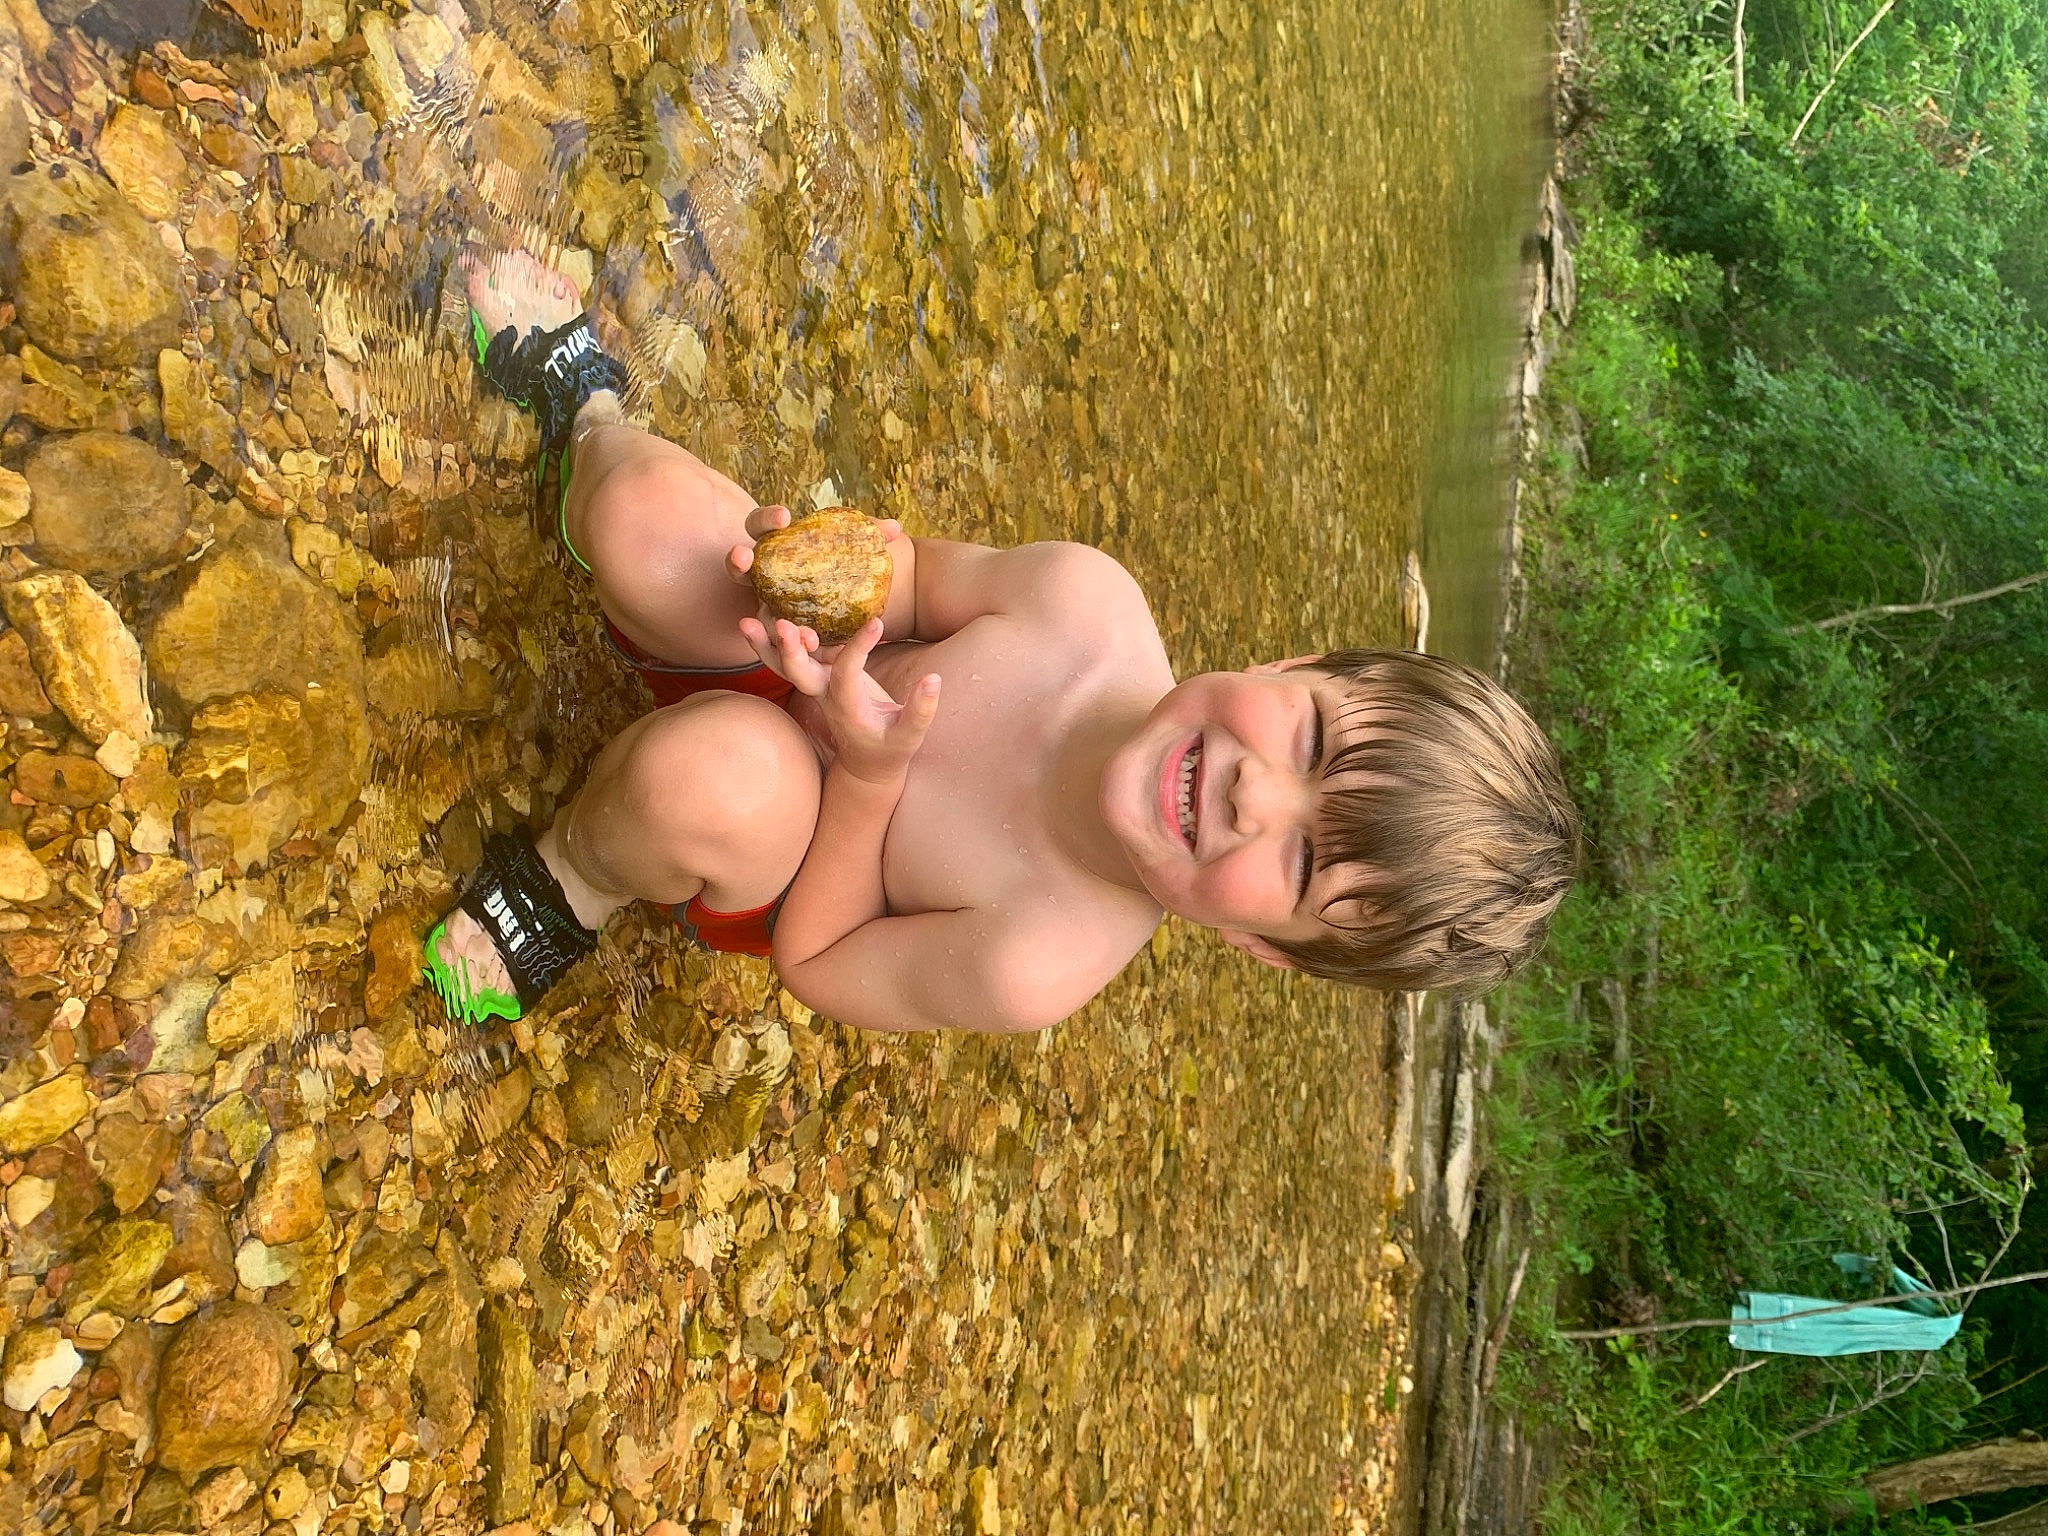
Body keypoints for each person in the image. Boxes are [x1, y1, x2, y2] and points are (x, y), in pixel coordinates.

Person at [422, 249, 1581, 1034]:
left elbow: (815, 962)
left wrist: (866, 782)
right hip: (797, 657)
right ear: (1293, 668)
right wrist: (816, 575)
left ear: (1261, 945)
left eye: (1300, 863)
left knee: (716, 773)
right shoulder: (1088, 609)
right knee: (643, 523)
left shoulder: (1043, 955)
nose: (1250, 795)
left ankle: (575, 877)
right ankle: (587, 409)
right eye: (1314, 743)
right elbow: (916, 578)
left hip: (777, 840)